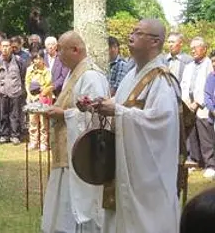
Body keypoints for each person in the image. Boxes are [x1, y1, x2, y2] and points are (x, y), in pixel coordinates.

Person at [94, 19, 181, 233]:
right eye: (132, 31)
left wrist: (118, 112)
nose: (130, 36)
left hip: (147, 173)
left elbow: (161, 122)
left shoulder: (162, 80)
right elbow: (124, 103)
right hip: (124, 164)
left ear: (155, 41)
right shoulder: (132, 75)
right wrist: (99, 104)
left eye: (138, 33)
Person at [42, 31, 110, 233]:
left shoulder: (90, 75)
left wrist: (63, 114)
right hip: (67, 151)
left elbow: (96, 116)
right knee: (63, 200)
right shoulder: (75, 72)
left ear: (75, 49)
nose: (57, 53)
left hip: (83, 154)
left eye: (61, 49)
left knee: (82, 201)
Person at [180, 37, 215, 178]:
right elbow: (183, 85)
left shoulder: (209, 64)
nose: (192, 50)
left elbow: (207, 88)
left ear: (204, 48)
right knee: (191, 134)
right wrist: (186, 101)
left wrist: (197, 102)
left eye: (196, 47)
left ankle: (210, 164)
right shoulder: (189, 66)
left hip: (202, 106)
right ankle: (194, 160)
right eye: (191, 47)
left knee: (206, 135)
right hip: (189, 105)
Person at [0, 39, 25, 144]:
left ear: (11, 48)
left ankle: (15, 135)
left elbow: (23, 74)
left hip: (15, 91)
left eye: (7, 46)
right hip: (2, 91)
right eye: (3, 46)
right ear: (0, 48)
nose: (5, 48)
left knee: (15, 115)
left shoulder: (18, 60)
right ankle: (4, 135)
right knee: (3, 114)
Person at [25, 50, 53, 151]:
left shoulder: (47, 71)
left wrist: (40, 94)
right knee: (33, 121)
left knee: (43, 122)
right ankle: (33, 142)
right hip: (32, 99)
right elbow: (27, 84)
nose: (37, 61)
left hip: (43, 99)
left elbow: (48, 85)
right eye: (35, 59)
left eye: (39, 58)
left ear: (43, 59)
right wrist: (31, 95)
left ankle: (44, 143)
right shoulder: (29, 70)